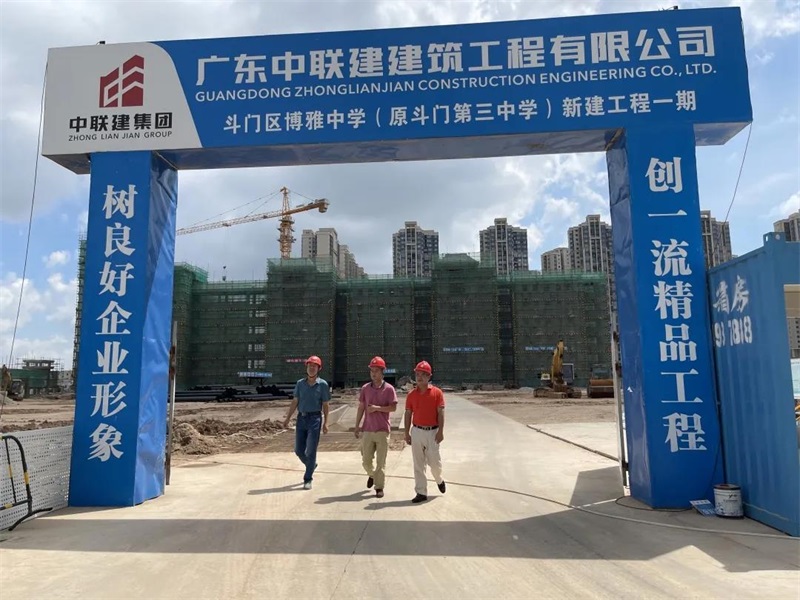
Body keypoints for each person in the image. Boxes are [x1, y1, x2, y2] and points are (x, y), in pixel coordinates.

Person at [283, 355, 330, 490]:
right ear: (306, 367)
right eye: (310, 366)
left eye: (314, 366)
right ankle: (311, 465)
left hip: (315, 419)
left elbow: (326, 404)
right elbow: (295, 401)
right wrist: (288, 418)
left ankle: (308, 478)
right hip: (301, 419)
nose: (311, 368)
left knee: (311, 450)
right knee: (299, 450)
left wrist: (326, 423)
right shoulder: (300, 384)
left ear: (319, 369)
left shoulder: (323, 385)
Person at [354, 356, 398, 498]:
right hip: (368, 429)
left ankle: (379, 487)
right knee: (366, 460)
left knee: (381, 461)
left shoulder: (389, 389)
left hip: (382, 430)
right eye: (371, 371)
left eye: (376, 371)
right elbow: (361, 407)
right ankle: (372, 475)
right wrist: (357, 426)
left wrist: (377, 408)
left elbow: (393, 408)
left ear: (382, 372)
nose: (373, 374)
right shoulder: (365, 389)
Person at [403, 360, 446, 504]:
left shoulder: (437, 393)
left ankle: (439, 479)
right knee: (418, 463)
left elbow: (440, 413)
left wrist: (441, 431)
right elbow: (408, 414)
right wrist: (407, 433)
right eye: (417, 374)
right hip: (417, 431)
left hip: (432, 432)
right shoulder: (411, 395)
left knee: (435, 463)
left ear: (429, 376)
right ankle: (421, 492)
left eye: (423, 374)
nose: (419, 377)